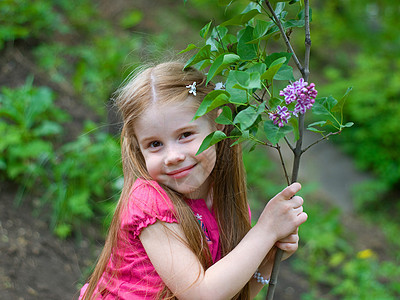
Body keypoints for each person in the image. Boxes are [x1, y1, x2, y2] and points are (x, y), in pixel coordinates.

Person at [79, 61, 308, 299]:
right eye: (155, 144)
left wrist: (267, 262)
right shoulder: (150, 204)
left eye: (185, 135)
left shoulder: (223, 205)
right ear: (139, 148)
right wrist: (265, 231)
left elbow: (228, 294)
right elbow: (201, 295)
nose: (173, 157)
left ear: (218, 124)